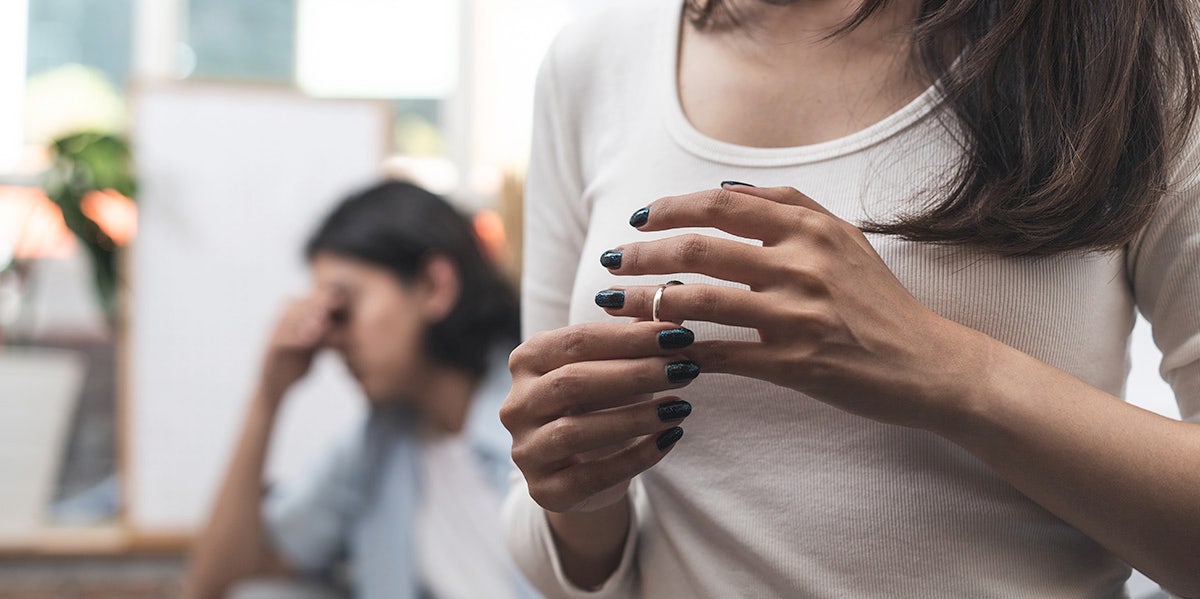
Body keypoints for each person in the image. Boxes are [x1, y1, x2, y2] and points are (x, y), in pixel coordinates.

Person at [500, 0, 1200, 597]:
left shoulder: (1141, 36)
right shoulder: (595, 60)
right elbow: (558, 540)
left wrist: (946, 371)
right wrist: (581, 501)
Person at [184, 181, 535, 599]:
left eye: (342, 308)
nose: (331, 339)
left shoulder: (540, 412)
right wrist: (268, 394)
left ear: (433, 286)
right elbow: (218, 582)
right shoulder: (382, 442)